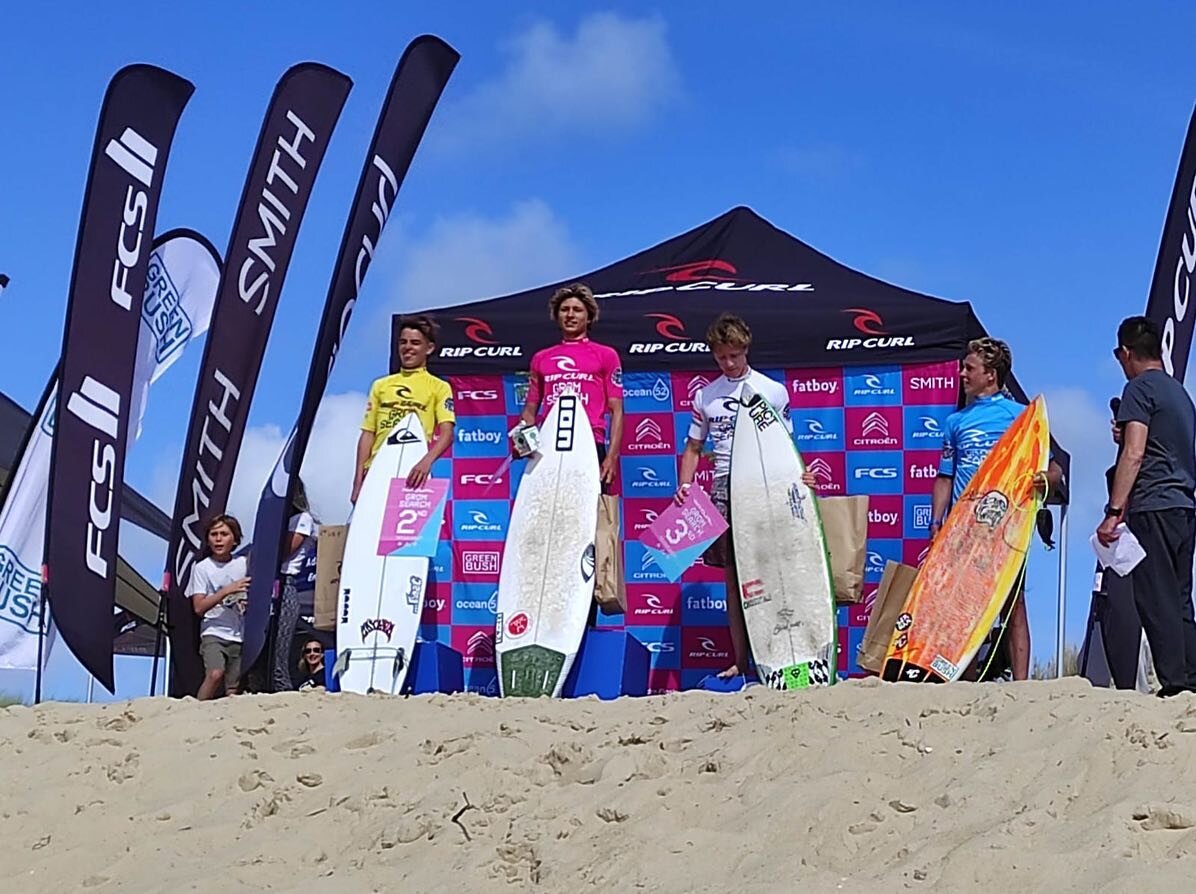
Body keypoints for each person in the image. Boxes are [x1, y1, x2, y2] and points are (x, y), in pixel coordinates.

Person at [930, 337, 1063, 681]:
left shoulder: (1021, 416)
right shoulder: (954, 421)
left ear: (990, 375)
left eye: (968, 368)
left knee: (1013, 603)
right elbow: (945, 476)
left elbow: (1055, 469)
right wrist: (936, 520)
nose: (961, 374)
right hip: (964, 526)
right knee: (964, 607)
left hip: (1007, 525)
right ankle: (965, 678)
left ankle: (1022, 685)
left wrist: (1043, 479)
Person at [674, 313, 792, 679]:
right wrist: (686, 485)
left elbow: (786, 445)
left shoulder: (772, 390)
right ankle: (740, 662)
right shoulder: (705, 395)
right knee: (732, 579)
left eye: (734, 356)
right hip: (724, 487)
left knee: (769, 575)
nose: (729, 363)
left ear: (746, 349)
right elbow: (694, 447)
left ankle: (778, 657)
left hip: (763, 484)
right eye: (721, 357)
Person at [1096, 316, 1196, 696]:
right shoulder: (1179, 393)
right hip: (1183, 505)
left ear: (1126, 353)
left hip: (1154, 503)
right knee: (1180, 598)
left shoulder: (1138, 390)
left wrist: (1113, 511)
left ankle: (1174, 684)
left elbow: (1134, 454)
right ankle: (1189, 677)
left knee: (1155, 598)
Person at [520, 283, 624, 609]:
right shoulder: (542, 358)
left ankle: (585, 613)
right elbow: (530, 410)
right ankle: (547, 605)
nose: (570, 315)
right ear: (556, 315)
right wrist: (522, 439)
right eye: (565, 309)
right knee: (549, 528)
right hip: (548, 452)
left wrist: (612, 456)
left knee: (584, 531)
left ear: (589, 316)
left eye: (577, 309)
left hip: (589, 447)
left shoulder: (605, 355)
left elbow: (617, 410)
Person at [352, 314, 456, 504]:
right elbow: (368, 434)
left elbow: (447, 434)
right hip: (376, 470)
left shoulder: (439, 387)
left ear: (429, 348)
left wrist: (425, 463)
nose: (408, 348)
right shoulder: (380, 385)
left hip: (412, 471)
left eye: (415, 343)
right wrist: (357, 482)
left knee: (406, 533)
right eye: (403, 342)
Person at [188, 514, 249, 700]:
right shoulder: (202, 568)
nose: (218, 539)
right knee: (215, 674)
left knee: (234, 687)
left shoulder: (243, 563)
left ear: (235, 539)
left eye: (224, 534)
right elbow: (198, 607)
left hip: (239, 633)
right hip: (213, 630)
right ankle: (194, 711)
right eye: (214, 534)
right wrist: (226, 591)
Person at [271, 478, 318, 692]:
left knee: (281, 643)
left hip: (286, 582)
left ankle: (282, 687)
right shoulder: (277, 520)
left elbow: (285, 550)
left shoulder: (302, 518)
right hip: (268, 583)